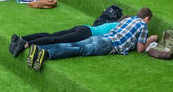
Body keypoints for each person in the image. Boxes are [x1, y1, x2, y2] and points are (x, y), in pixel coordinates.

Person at [25, 7, 154, 68]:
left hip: (101, 37)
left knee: (72, 44)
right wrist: (151, 39)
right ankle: (46, 53)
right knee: (79, 49)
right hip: (109, 44)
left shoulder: (127, 19)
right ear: (147, 18)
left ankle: (38, 48)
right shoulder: (143, 25)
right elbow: (140, 49)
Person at [9, 19, 120, 56]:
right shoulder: (121, 26)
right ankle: (26, 44)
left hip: (83, 27)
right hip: (86, 34)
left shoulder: (113, 23)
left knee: (52, 35)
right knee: (55, 40)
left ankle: (22, 38)